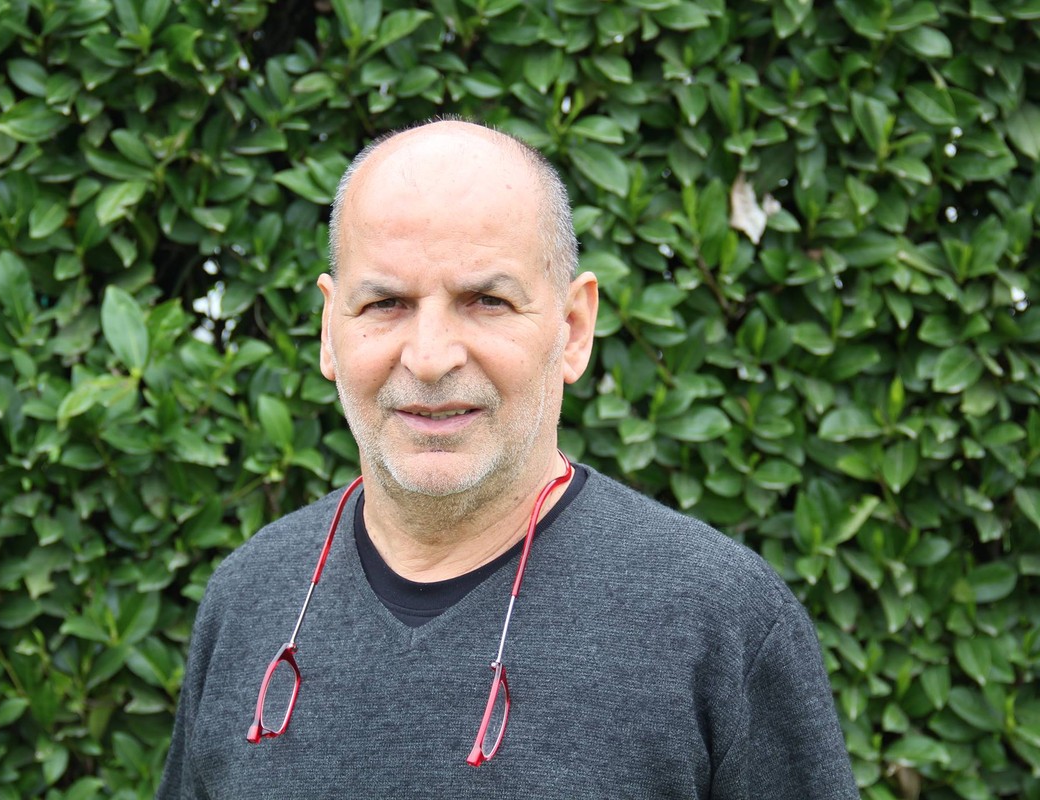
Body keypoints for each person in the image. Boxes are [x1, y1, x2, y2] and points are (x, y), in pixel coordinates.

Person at [157, 120, 858, 798]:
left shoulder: (717, 621)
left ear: (573, 328)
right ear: (329, 331)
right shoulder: (247, 599)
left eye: (486, 301)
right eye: (386, 303)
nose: (430, 358)